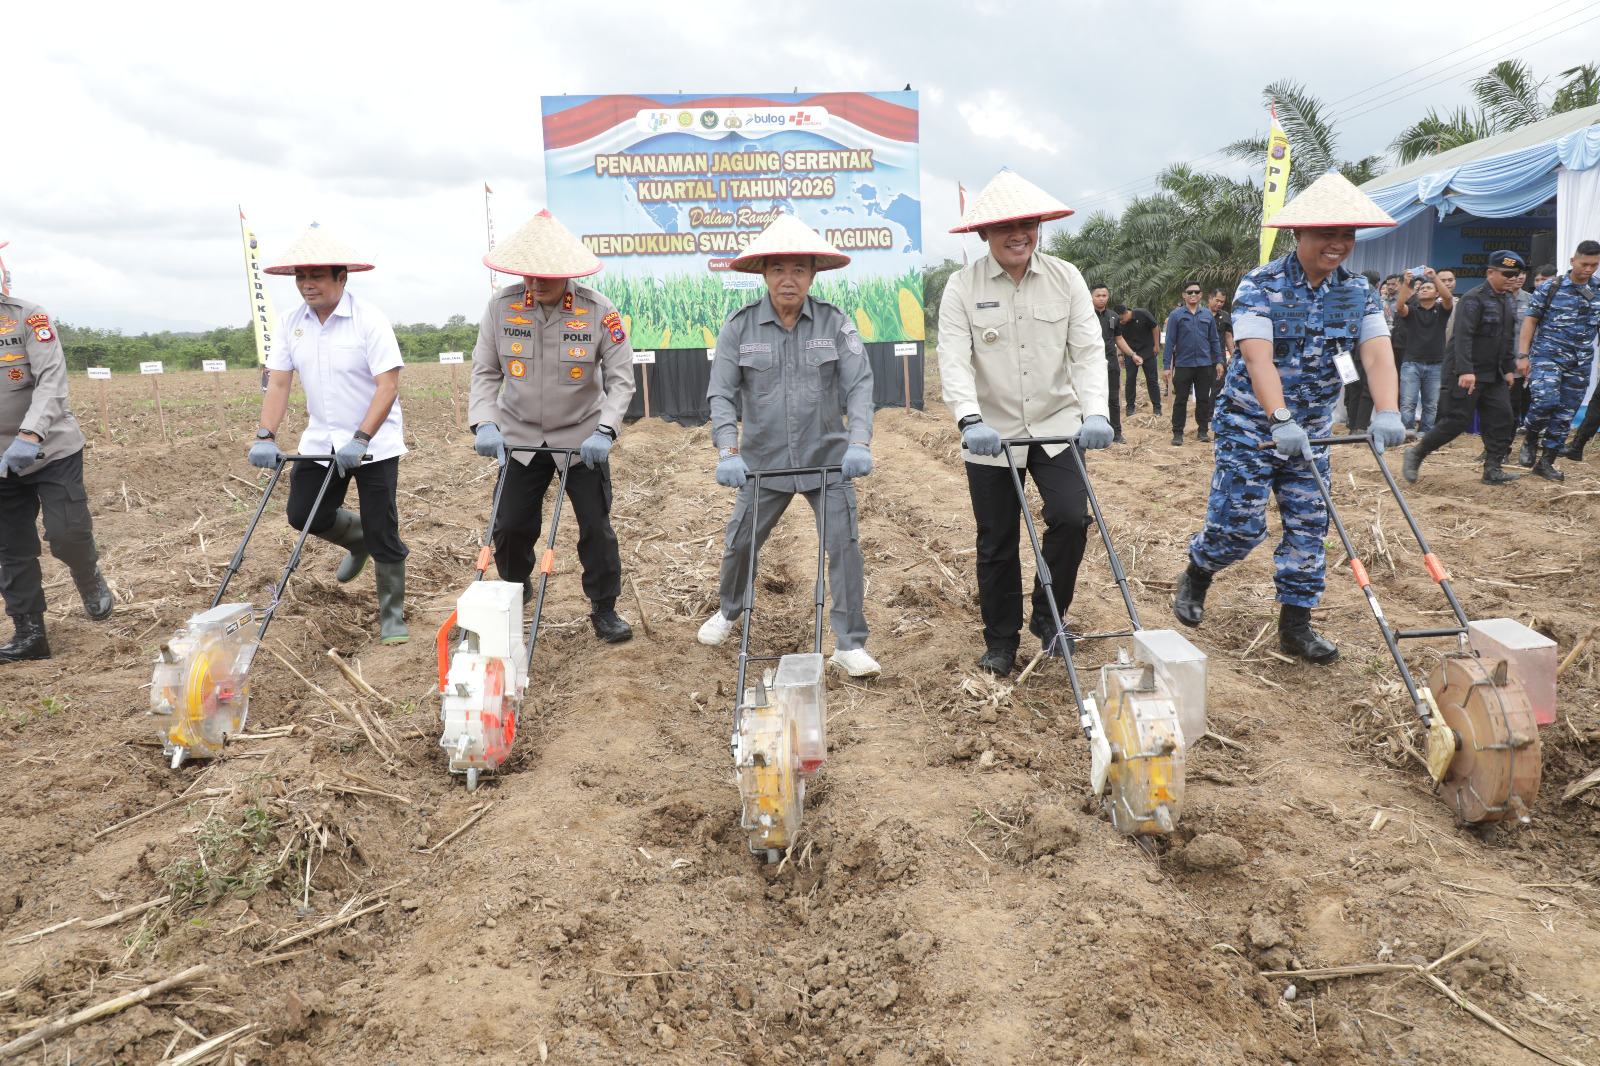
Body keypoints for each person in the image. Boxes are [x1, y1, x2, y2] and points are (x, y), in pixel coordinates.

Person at [1174, 172, 1405, 664]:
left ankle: (1295, 627)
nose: (1338, 245)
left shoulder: (1358, 292)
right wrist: (1279, 417)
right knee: (1239, 528)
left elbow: (1377, 353)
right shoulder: (1261, 285)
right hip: (1251, 428)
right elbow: (1258, 358)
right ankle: (1199, 568)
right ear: (1298, 234)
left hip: (1314, 436)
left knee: (1309, 525)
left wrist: (1388, 411)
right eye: (1327, 234)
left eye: (1347, 236)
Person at [939, 169, 1111, 675]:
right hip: (990, 435)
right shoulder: (961, 287)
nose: (1020, 235)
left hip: (1056, 426)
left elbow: (1087, 350)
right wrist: (970, 420)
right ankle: (1001, 640)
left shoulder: (1066, 277)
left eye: (1029, 224)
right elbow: (952, 357)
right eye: (1007, 226)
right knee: (996, 540)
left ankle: (1048, 615)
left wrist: (1096, 411)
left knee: (1071, 519)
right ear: (984, 233)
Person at [697, 215, 880, 678]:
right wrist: (727, 449)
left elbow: (859, 385)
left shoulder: (836, 324)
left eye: (798, 269)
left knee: (845, 547)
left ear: (813, 274)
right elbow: (721, 393)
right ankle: (729, 611)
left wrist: (859, 441)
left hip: (828, 462)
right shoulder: (739, 328)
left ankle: (849, 643)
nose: (788, 279)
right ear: (763, 273)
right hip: (763, 463)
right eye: (778, 269)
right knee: (740, 542)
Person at [469, 210, 636, 642]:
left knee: (594, 526)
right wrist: (485, 423)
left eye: (545, 275)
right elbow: (486, 371)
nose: (535, 282)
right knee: (509, 524)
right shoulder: (501, 308)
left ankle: (604, 607)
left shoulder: (599, 311)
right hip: (519, 436)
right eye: (527, 274)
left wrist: (605, 431)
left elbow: (621, 381)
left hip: (582, 436)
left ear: (568, 273)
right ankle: (516, 584)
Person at [252, 225, 410, 644]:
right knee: (304, 515)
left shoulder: (369, 320)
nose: (307, 285)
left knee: (384, 529)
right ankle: (357, 540)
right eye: (301, 277)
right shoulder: (290, 324)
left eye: (317, 276)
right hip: (321, 441)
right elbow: (280, 383)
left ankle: (392, 614)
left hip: (373, 444)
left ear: (342, 277)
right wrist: (266, 435)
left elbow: (387, 386)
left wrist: (361, 438)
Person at [0, 291, 113, 662]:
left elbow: (51, 380)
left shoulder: (28, 317)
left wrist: (29, 435)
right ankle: (30, 634)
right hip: (1, 462)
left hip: (50, 447)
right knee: (12, 548)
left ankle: (85, 570)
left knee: (66, 532)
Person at [1402, 250, 1527, 487]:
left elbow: (1507, 337)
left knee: (1502, 418)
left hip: (1494, 373)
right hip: (1466, 371)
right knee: (1457, 420)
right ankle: (1416, 453)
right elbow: (1463, 336)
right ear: (1491, 273)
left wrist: (1509, 368)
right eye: (1507, 273)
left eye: (1517, 274)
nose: (1513, 278)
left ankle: (1493, 469)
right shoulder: (1474, 298)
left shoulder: (1508, 299)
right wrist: (1466, 370)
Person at [1516, 240, 1600, 481]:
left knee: (1565, 415)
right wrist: (1523, 355)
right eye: (1584, 263)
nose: (1588, 269)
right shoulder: (1550, 288)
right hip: (1547, 356)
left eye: (1594, 265)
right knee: (1545, 401)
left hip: (1580, 362)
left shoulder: (1598, 291)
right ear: (1573, 261)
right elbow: (1530, 321)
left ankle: (1546, 462)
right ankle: (1531, 436)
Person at [1163, 281, 1223, 445]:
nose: (1193, 295)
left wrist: (1219, 361)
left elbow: (1214, 340)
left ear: (1201, 295)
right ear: (1184, 295)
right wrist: (1167, 366)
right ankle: (1177, 433)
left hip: (1204, 364)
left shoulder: (1207, 315)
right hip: (1183, 364)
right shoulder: (1176, 315)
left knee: (1204, 399)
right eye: (1189, 292)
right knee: (1180, 400)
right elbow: (1169, 342)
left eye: (1196, 292)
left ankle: (1203, 431)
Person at [1392, 268, 1452, 434]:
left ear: (1437, 293)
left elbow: (1448, 297)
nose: (1424, 290)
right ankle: (1407, 432)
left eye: (1429, 288)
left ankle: (1426, 433)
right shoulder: (1412, 311)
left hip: (1436, 364)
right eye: (1421, 288)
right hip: (1411, 363)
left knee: (1431, 404)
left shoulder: (1441, 310)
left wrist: (1434, 277)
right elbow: (1399, 306)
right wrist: (1405, 283)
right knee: (1407, 402)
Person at [1512, 264, 1557, 431]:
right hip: (1510, 356)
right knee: (1510, 399)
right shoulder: (1499, 298)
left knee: (1531, 395)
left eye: (1522, 273)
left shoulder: (1530, 298)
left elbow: (1536, 331)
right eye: (1537, 279)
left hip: (1532, 356)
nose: (1519, 277)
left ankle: (1530, 427)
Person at [1091, 284, 1126, 444]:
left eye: (1104, 295)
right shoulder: (1085, 315)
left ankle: (1116, 433)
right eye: (1098, 295)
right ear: (1091, 296)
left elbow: (1118, 338)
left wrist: (1131, 354)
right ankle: (1091, 431)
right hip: (1090, 364)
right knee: (1092, 398)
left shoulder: (1113, 316)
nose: (1101, 298)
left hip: (1110, 363)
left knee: (1113, 398)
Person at [1116, 305, 1162, 414]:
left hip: (1148, 352)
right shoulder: (1118, 322)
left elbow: (1155, 327)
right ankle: (1130, 407)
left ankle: (1157, 407)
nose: (1121, 322)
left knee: (1152, 380)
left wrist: (1156, 345)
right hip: (1130, 353)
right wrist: (1120, 355)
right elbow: (1119, 337)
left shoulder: (1143, 314)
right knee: (1130, 380)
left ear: (1127, 313)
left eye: (1122, 319)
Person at [1209, 288, 1234, 360]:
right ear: (1210, 298)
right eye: (1217, 301)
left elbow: (1228, 337)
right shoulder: (1201, 314)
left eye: (1222, 302)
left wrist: (1232, 356)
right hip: (1203, 358)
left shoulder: (1225, 316)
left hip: (1220, 358)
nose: (1219, 304)